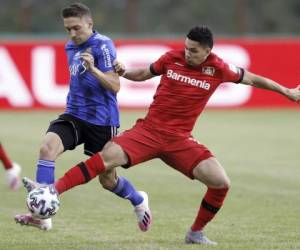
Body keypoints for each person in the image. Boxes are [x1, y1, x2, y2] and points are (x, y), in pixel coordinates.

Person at [20, 26, 300, 244]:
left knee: (220, 182)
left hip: (180, 139)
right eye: (186, 48)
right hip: (149, 131)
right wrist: (124, 72)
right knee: (105, 160)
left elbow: (253, 78)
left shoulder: (220, 68)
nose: (187, 53)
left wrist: (286, 91)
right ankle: (52, 190)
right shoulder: (172, 58)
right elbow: (144, 74)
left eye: (193, 51)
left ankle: (195, 233)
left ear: (207, 51)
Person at [14, 2, 151, 232]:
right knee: (47, 148)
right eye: (68, 29)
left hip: (102, 120)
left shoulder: (103, 45)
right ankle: (42, 214)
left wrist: (94, 69)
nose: (72, 34)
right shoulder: (70, 46)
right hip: (74, 114)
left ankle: (138, 200)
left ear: (90, 23)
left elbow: (115, 86)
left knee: (108, 180)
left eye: (76, 28)